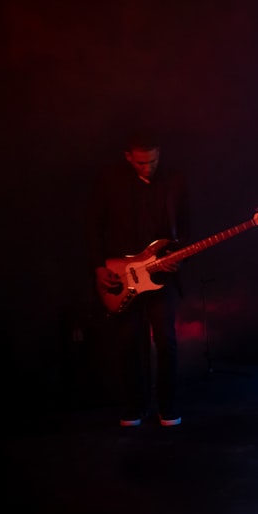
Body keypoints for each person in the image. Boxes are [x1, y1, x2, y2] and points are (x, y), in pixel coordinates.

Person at [86, 127, 190, 427]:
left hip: (160, 276)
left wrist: (176, 258)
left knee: (167, 342)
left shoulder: (174, 181)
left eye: (153, 161)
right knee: (128, 343)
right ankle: (134, 406)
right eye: (141, 162)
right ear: (128, 157)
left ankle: (167, 407)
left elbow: (184, 228)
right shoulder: (109, 182)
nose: (148, 168)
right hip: (122, 275)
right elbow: (93, 227)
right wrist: (98, 268)